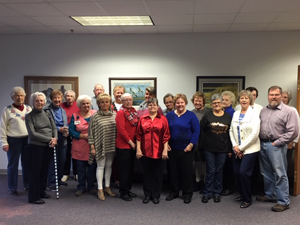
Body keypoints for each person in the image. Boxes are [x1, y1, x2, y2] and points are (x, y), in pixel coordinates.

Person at [257, 85, 298, 212]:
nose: (273, 97)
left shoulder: (289, 111)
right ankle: (271, 195)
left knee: (280, 174)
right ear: (268, 96)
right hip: (263, 144)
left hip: (276, 145)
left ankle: (283, 201)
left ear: (281, 96)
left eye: (276, 94)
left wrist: (278, 142)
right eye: (271, 94)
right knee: (266, 172)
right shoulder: (263, 110)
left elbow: (293, 131)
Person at [166, 93, 200, 204]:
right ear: (174, 104)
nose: (180, 105)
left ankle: (187, 194)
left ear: (185, 103)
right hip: (172, 148)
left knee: (186, 172)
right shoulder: (169, 115)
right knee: (173, 172)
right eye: (177, 103)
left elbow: (196, 131)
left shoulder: (191, 115)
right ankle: (174, 192)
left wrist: (191, 145)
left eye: (182, 102)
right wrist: (166, 144)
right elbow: (165, 131)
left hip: (187, 149)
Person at [229, 90, 260, 208]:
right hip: (237, 148)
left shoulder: (254, 114)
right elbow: (231, 130)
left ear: (250, 100)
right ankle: (242, 194)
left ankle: (247, 199)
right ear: (239, 100)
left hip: (251, 149)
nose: (244, 100)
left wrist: (241, 148)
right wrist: (235, 147)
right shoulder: (236, 113)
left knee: (243, 173)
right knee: (237, 173)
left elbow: (254, 133)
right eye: (242, 98)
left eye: (246, 98)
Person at [136, 98, 170, 204]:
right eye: (150, 105)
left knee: (157, 174)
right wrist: (138, 150)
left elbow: (166, 136)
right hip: (145, 151)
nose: (152, 107)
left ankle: (156, 196)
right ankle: (147, 195)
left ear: (158, 106)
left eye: (154, 105)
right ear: (147, 106)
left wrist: (165, 150)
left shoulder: (163, 119)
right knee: (146, 174)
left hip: (159, 151)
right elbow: (138, 135)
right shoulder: (142, 119)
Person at [25, 92, 58, 204]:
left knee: (44, 169)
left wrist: (55, 138)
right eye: (37, 101)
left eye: (41, 100)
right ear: (33, 102)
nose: (40, 103)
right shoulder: (29, 116)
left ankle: (41, 192)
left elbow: (54, 127)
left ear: (44, 102)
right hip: (36, 146)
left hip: (48, 145)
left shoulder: (47, 113)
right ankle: (33, 197)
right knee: (35, 171)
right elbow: (33, 134)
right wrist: (50, 138)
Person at [200, 93, 232, 204]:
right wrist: (202, 147)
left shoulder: (228, 116)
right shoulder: (207, 116)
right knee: (210, 170)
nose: (217, 105)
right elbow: (202, 131)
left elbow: (230, 134)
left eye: (218, 102)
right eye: (214, 103)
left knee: (219, 171)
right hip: (209, 148)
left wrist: (229, 149)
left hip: (223, 149)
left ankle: (217, 192)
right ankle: (207, 193)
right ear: (211, 104)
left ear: (222, 103)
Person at [0, 87, 32, 195]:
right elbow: (2, 127)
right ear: (12, 97)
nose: (19, 97)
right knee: (13, 164)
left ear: (24, 96)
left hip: (27, 140)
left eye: (21, 95)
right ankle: (12, 188)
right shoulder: (7, 110)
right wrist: (4, 142)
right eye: (17, 95)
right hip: (13, 140)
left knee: (27, 163)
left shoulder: (29, 109)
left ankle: (27, 185)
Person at [88, 93, 116, 201]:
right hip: (100, 145)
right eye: (102, 102)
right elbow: (90, 133)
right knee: (100, 166)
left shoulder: (114, 115)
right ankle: (100, 189)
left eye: (107, 102)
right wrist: (92, 147)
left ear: (110, 103)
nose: (105, 104)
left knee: (109, 166)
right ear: (98, 104)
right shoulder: (95, 116)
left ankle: (107, 187)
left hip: (111, 145)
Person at [69, 95, 97, 196]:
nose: (86, 105)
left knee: (92, 168)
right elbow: (71, 131)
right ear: (79, 105)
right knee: (80, 169)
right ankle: (81, 187)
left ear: (90, 104)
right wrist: (82, 135)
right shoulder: (75, 115)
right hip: (79, 146)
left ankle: (91, 186)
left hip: (92, 146)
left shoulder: (95, 114)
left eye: (87, 103)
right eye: (83, 103)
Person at [115, 93, 139, 201]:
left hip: (132, 146)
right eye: (126, 100)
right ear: (122, 101)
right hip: (124, 146)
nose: (128, 102)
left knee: (130, 170)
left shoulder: (133, 112)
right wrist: (130, 142)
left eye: (130, 99)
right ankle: (123, 192)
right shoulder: (121, 113)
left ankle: (128, 189)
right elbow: (121, 130)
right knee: (124, 171)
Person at [45, 90, 68, 191]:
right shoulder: (47, 110)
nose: (57, 100)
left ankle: (58, 179)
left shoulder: (62, 109)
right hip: (52, 137)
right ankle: (51, 182)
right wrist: (59, 129)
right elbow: (46, 126)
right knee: (52, 161)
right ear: (51, 99)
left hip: (62, 137)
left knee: (61, 160)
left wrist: (66, 130)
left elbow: (65, 122)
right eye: (55, 98)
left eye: (59, 98)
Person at [191, 91, 210, 192]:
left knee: (205, 163)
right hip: (194, 142)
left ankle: (206, 183)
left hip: (205, 142)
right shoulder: (190, 112)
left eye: (199, 100)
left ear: (203, 102)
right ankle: (198, 182)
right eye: (196, 100)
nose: (197, 102)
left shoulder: (208, 113)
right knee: (197, 163)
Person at [60, 90, 80, 182]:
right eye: (67, 96)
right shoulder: (61, 106)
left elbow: (80, 119)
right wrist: (66, 129)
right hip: (64, 132)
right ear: (64, 97)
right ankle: (65, 173)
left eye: (71, 96)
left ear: (74, 97)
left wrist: (72, 129)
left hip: (75, 132)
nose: (69, 98)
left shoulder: (78, 105)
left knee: (75, 153)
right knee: (66, 154)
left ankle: (76, 173)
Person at [220, 91, 236, 196]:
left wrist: (230, 148)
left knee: (228, 168)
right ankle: (222, 186)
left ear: (231, 102)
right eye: (223, 100)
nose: (224, 102)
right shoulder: (220, 111)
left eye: (227, 100)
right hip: (221, 143)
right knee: (221, 167)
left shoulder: (232, 112)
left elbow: (232, 131)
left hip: (228, 144)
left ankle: (229, 187)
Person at [282, 89, 300, 176]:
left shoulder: (292, 110)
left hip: (287, 143)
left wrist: (291, 142)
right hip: (275, 143)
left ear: (289, 99)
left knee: (284, 166)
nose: (283, 99)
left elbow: (297, 127)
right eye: (281, 97)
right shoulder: (273, 109)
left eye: (285, 97)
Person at [111, 85, 125, 189]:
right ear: (114, 93)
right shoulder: (109, 106)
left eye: (121, 92)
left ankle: (124, 180)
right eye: (117, 92)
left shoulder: (127, 106)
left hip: (124, 138)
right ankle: (116, 180)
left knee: (123, 160)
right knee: (114, 160)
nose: (119, 94)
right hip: (112, 136)